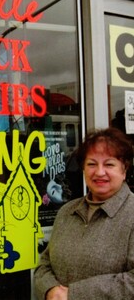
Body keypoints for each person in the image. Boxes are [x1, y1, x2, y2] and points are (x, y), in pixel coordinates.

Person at [34, 127, 134, 300]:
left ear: (124, 170)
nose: (99, 172)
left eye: (109, 164)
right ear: (83, 169)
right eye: (91, 164)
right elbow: (44, 264)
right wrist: (50, 289)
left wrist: (74, 294)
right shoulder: (67, 212)